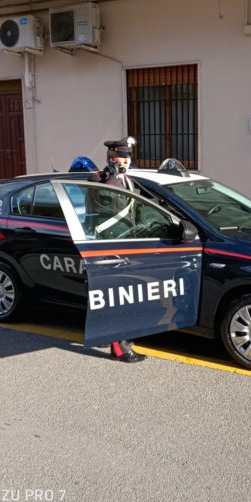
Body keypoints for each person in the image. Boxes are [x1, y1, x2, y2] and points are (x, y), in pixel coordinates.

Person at [99, 136, 147, 364]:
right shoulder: (104, 181)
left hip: (129, 246)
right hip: (112, 248)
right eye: (121, 157)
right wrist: (110, 176)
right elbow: (103, 212)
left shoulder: (128, 180)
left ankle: (121, 340)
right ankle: (120, 348)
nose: (126, 161)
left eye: (128, 158)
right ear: (111, 157)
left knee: (127, 298)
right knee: (119, 299)